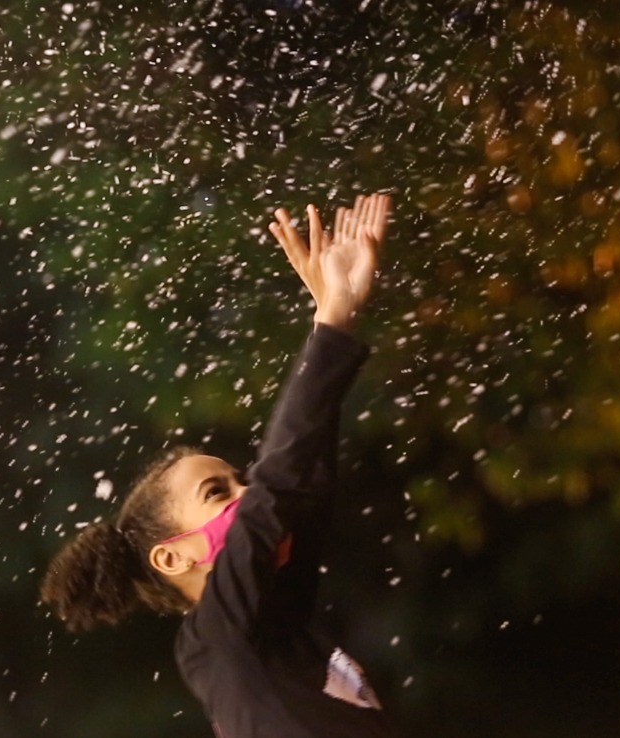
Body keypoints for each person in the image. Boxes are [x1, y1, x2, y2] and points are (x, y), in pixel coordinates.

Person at [40, 193, 397, 738]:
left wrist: (337, 318)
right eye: (217, 491)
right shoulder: (217, 638)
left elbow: (300, 488)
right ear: (174, 556)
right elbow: (280, 484)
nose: (247, 491)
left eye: (241, 479)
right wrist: (329, 324)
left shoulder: (277, 630)